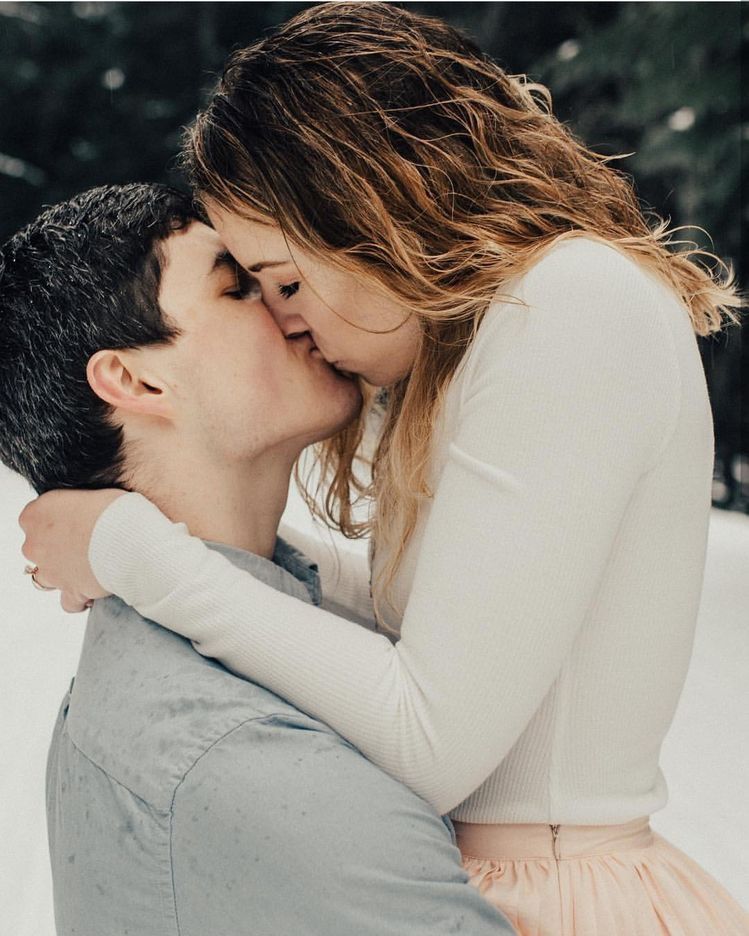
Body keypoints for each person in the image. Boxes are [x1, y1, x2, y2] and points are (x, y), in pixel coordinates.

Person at [19, 4, 748, 934]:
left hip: (559, 891)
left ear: (366, 210)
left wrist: (138, 551)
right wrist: (192, 543)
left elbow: (429, 740)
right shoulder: (505, 332)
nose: (285, 322)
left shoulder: (570, 305)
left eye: (285, 281)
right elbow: (457, 621)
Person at [1, 183, 515, 936]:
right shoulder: (259, 765)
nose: (295, 307)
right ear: (138, 380)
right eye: (239, 289)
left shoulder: (163, 684)